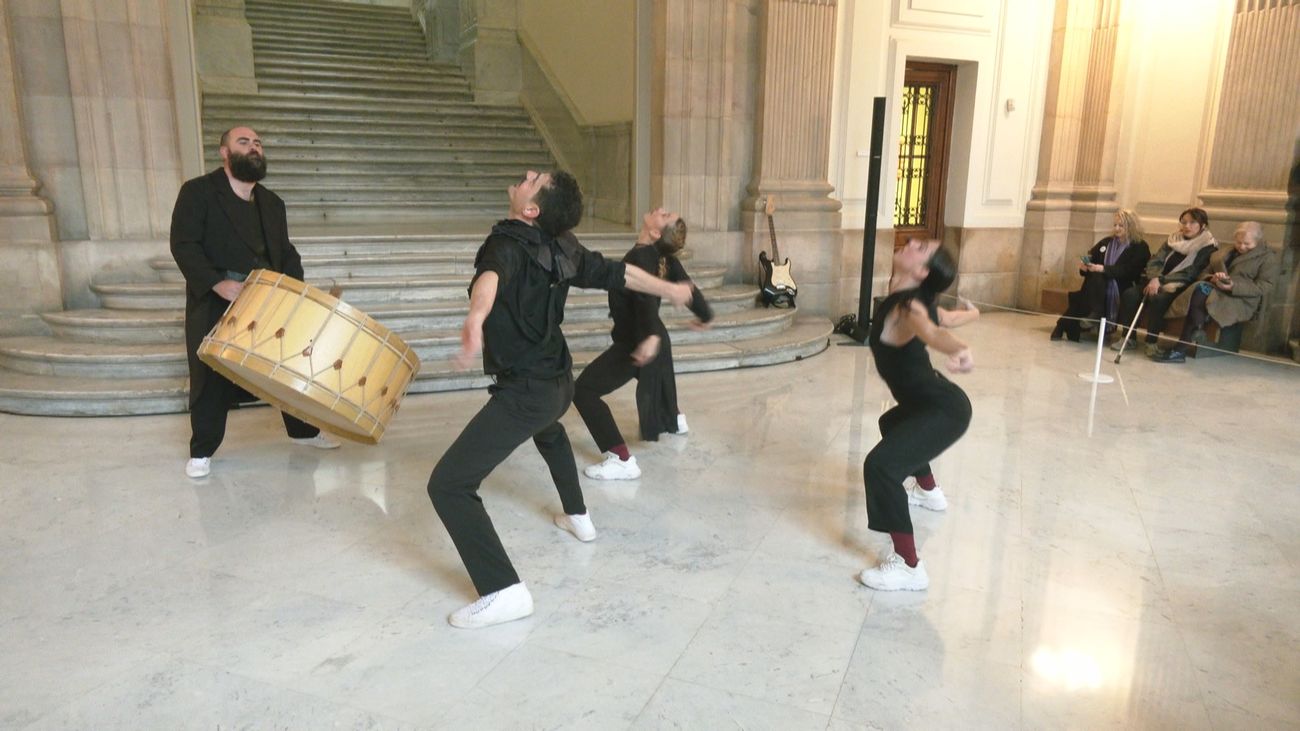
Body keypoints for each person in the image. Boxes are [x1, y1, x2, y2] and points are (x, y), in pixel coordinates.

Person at [427, 170, 696, 629]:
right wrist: (669, 288)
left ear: (531, 210)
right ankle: (579, 517)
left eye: (534, 179)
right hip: (558, 383)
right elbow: (621, 273)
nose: (526, 175)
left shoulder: (507, 241)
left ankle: (503, 590)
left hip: (528, 389)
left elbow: (491, 277)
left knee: (449, 485)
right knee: (550, 434)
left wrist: (476, 317)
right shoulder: (563, 244)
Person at [169, 127, 339, 479]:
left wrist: (297, 293)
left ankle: (304, 432)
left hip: (269, 300)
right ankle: (202, 450)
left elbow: (286, 253)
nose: (254, 148)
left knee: (288, 365)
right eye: (244, 142)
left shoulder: (272, 203)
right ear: (224, 153)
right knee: (209, 376)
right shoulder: (198, 192)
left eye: (258, 143)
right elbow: (183, 244)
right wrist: (218, 283)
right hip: (218, 298)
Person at [858, 238, 977, 592]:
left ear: (922, 271)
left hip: (944, 409)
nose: (911, 242)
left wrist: (960, 348)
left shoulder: (909, 307)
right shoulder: (915, 299)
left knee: (880, 468)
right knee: (891, 423)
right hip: (928, 403)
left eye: (921, 247)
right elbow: (947, 318)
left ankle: (910, 567)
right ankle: (929, 492)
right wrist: (974, 314)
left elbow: (932, 331)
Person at [573, 208, 714, 480]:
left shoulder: (641, 256)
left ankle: (621, 459)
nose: (660, 210)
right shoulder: (663, 258)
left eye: (664, 215)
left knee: (583, 391)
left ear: (655, 232)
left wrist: (649, 336)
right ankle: (673, 416)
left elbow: (644, 299)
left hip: (639, 342)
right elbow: (688, 289)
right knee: (650, 380)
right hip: (654, 339)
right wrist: (705, 315)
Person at [1151, 221, 1279, 363]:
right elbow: (1203, 273)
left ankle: (1183, 345)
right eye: (1239, 242)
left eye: (1247, 244)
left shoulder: (1268, 258)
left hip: (1240, 298)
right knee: (1201, 288)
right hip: (1216, 290)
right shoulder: (1226, 251)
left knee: (1201, 291)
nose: (1242, 247)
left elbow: (1264, 286)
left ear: (1258, 241)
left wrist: (1232, 286)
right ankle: (1188, 339)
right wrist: (1213, 278)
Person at [1112, 207, 1216, 353]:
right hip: (1154, 280)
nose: (1187, 226)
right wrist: (1154, 278)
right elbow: (1156, 260)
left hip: (1179, 286)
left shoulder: (1208, 246)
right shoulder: (1173, 239)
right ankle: (1129, 338)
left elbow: (1191, 272)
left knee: (1158, 299)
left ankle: (1151, 342)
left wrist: (1160, 280)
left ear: (1203, 225)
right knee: (1130, 294)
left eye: (1192, 223)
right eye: (1184, 222)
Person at [1051, 209, 1150, 342]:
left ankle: (1064, 324)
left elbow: (1130, 271)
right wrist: (1085, 267)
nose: (1117, 228)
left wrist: (1103, 269)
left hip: (1122, 285)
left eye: (1121, 225)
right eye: (1115, 225)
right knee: (1095, 280)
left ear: (1131, 226)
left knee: (1086, 292)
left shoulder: (1140, 246)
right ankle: (1090, 315)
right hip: (1097, 283)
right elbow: (1092, 258)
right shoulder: (1106, 242)